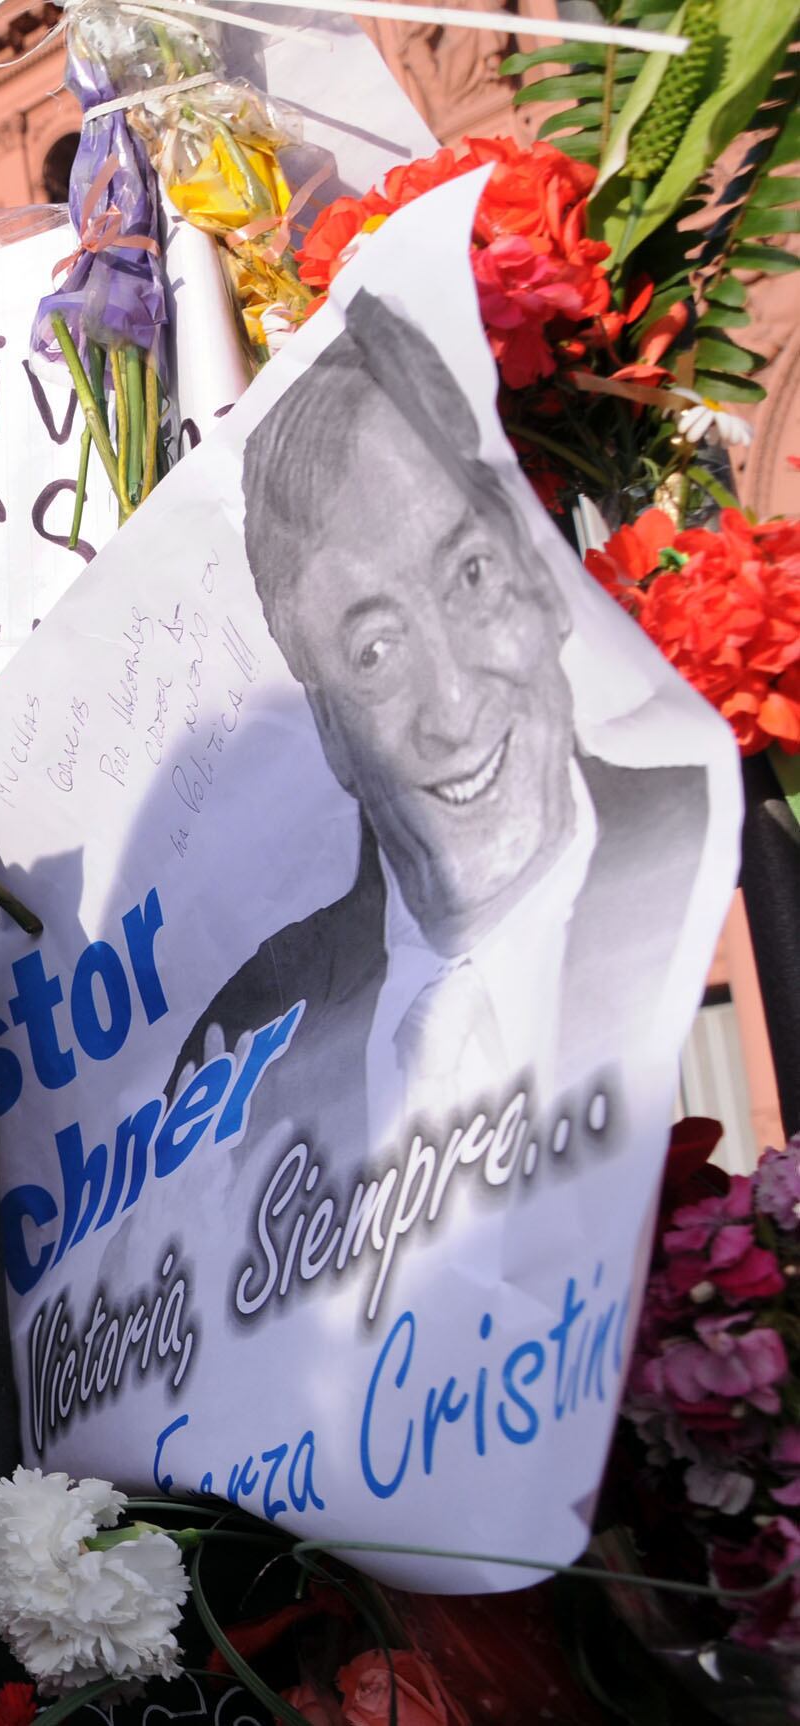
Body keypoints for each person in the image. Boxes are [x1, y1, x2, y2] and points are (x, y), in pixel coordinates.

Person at [180, 292, 707, 1177]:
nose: (454, 705)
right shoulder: (248, 1035)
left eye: (470, 576)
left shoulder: (727, 853)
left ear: (540, 583)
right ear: (330, 728)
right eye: (374, 648)